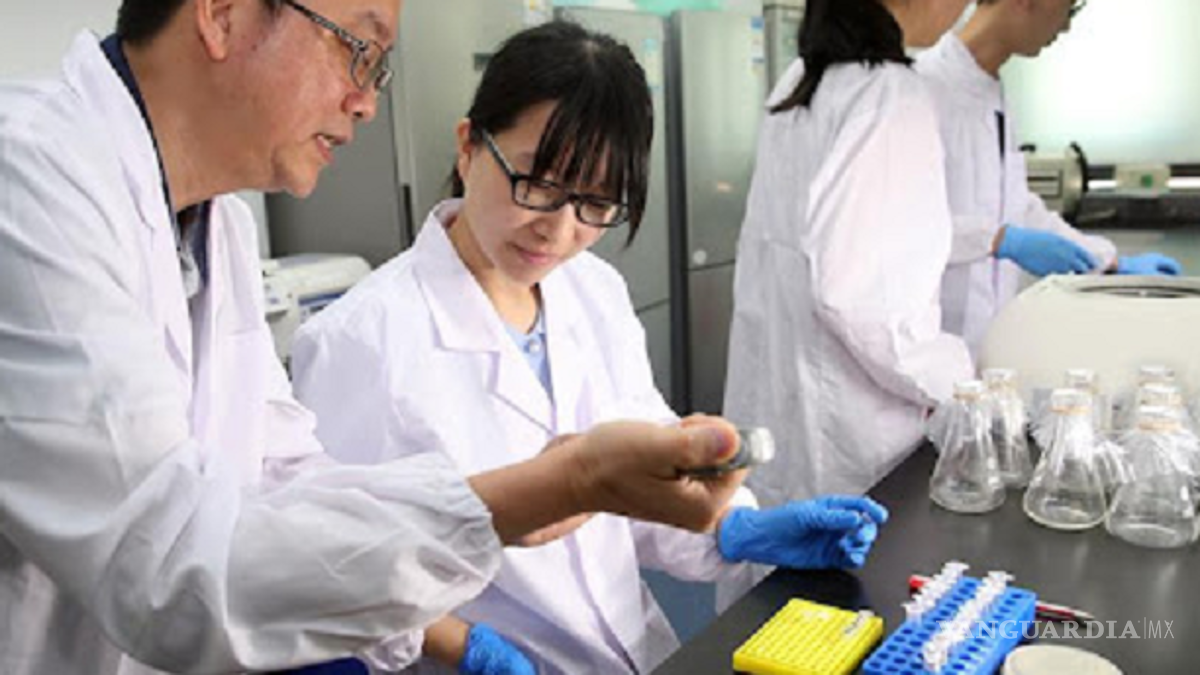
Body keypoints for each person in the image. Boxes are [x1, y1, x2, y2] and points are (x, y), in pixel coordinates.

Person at [0, 1, 754, 673]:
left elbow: (284, 479)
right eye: (357, 48)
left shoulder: (217, 223)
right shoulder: (27, 180)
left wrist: (731, 523)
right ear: (222, 14)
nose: (365, 101)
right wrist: (559, 484)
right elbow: (165, 568)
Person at [291, 20, 888, 675]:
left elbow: (634, 483)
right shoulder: (360, 339)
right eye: (537, 183)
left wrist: (734, 527)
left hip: (636, 649)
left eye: (596, 204)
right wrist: (461, 646)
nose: (558, 230)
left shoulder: (593, 291)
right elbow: (333, 566)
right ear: (468, 148)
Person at [723, 0, 979, 506]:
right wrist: (957, 385)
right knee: (848, 546)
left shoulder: (804, 79)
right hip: (851, 424)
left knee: (784, 539)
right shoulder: (888, 92)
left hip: (783, 402)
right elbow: (859, 296)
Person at [916, 0, 1183, 355]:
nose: (1065, 26)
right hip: (924, 345)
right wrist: (999, 240)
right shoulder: (921, 89)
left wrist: (1109, 261)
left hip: (981, 344)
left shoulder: (988, 89)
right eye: (1068, 9)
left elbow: (1017, 207)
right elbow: (896, 225)